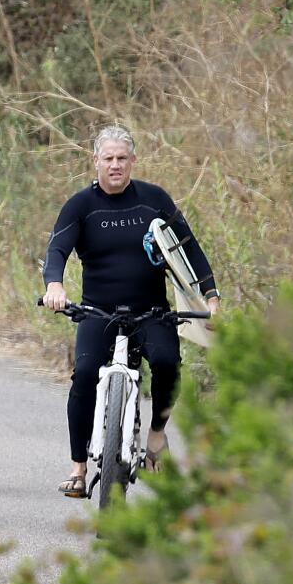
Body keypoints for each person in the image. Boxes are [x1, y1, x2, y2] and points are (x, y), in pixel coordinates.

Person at [41, 126, 220, 499]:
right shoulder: (81, 205)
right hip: (97, 311)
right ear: (96, 162)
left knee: (168, 364)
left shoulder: (154, 200)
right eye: (108, 158)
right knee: (85, 375)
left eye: (122, 158)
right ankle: (78, 468)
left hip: (151, 311)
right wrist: (54, 285)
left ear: (133, 161)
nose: (115, 165)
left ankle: (155, 436)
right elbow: (57, 249)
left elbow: (190, 247)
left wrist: (211, 297)